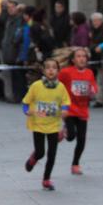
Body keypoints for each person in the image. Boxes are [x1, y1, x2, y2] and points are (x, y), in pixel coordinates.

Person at [22, 58, 71, 191]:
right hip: (38, 124)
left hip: (53, 125)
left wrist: (65, 111)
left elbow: (66, 102)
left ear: (58, 71)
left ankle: (46, 179)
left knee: (52, 153)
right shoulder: (36, 86)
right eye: (48, 67)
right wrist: (26, 111)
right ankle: (34, 157)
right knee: (41, 152)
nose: (51, 70)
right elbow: (26, 102)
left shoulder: (61, 87)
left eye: (54, 67)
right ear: (43, 71)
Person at [58, 48, 98, 175]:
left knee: (81, 139)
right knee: (71, 137)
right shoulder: (66, 72)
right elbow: (57, 83)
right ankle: (65, 131)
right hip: (69, 109)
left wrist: (93, 91)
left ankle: (75, 164)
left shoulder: (89, 73)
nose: (81, 59)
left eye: (84, 56)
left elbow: (94, 87)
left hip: (82, 110)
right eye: (78, 56)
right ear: (73, 60)